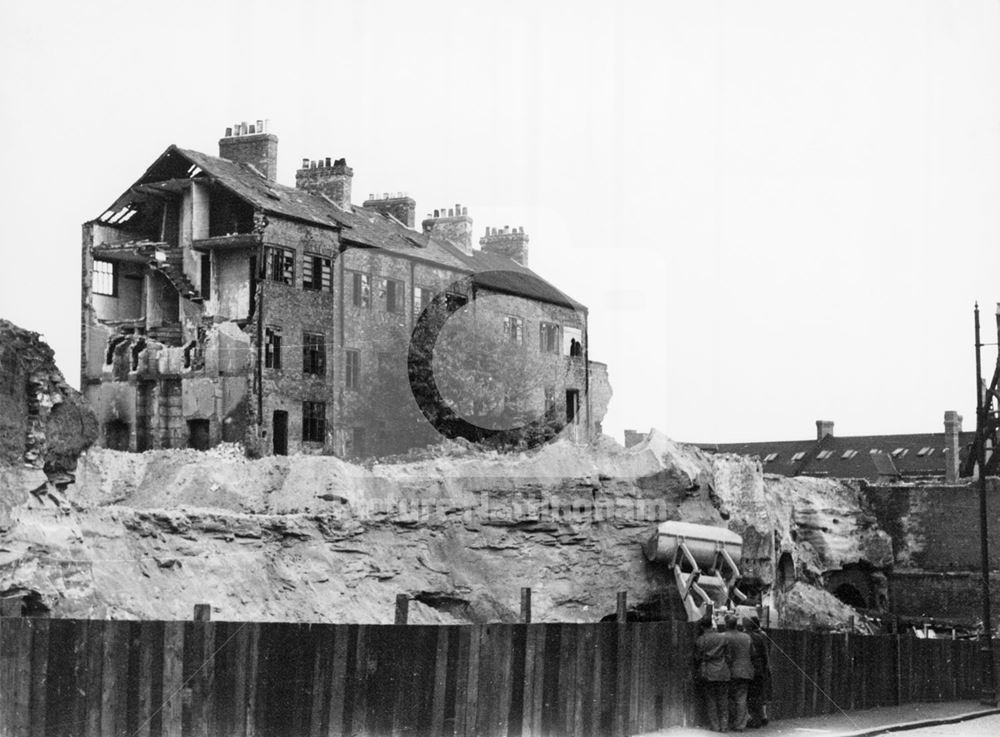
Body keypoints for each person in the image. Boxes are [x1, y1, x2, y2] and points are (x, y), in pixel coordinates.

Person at [694, 615, 731, 732]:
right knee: (723, 700)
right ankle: (724, 726)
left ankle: (715, 726)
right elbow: (729, 656)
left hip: (708, 672)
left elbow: (697, 657)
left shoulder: (700, 640)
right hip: (723, 671)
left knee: (711, 700)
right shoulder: (723, 638)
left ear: (702, 626)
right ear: (711, 625)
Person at [723, 614, 754, 732]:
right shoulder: (746, 637)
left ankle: (731, 722)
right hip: (745, 670)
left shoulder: (723, 636)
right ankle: (740, 725)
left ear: (726, 624)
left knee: (729, 697)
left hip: (729, 671)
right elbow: (752, 653)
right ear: (736, 624)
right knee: (742, 698)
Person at [745, 616, 771, 728]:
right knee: (760, 693)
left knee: (750, 694)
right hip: (760, 668)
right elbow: (765, 654)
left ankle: (752, 718)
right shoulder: (762, 635)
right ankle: (762, 716)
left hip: (750, 667)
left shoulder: (749, 636)